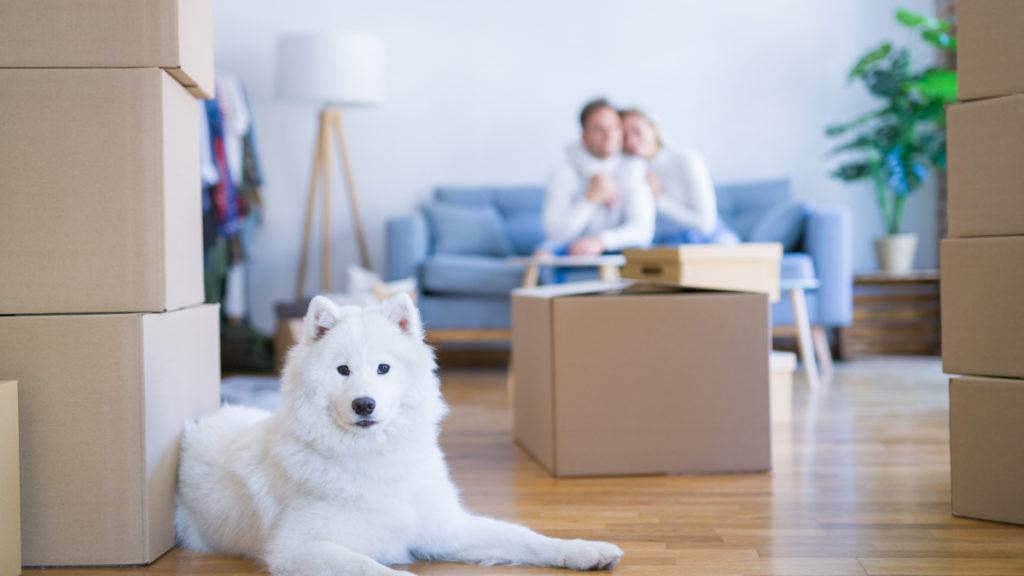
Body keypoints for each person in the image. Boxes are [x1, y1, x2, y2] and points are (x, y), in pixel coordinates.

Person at [539, 98, 655, 256]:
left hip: (617, 253)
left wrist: (601, 241)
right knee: (543, 254)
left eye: (615, 127)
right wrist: (589, 199)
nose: (609, 135)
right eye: (599, 129)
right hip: (571, 254)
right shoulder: (563, 172)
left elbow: (643, 230)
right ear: (584, 137)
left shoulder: (633, 168)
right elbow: (554, 234)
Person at [620, 108, 739, 245]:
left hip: (707, 242)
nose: (631, 141)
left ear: (654, 128)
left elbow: (706, 225)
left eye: (637, 131)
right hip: (660, 247)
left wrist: (660, 200)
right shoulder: (629, 171)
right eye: (624, 136)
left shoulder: (685, 160)